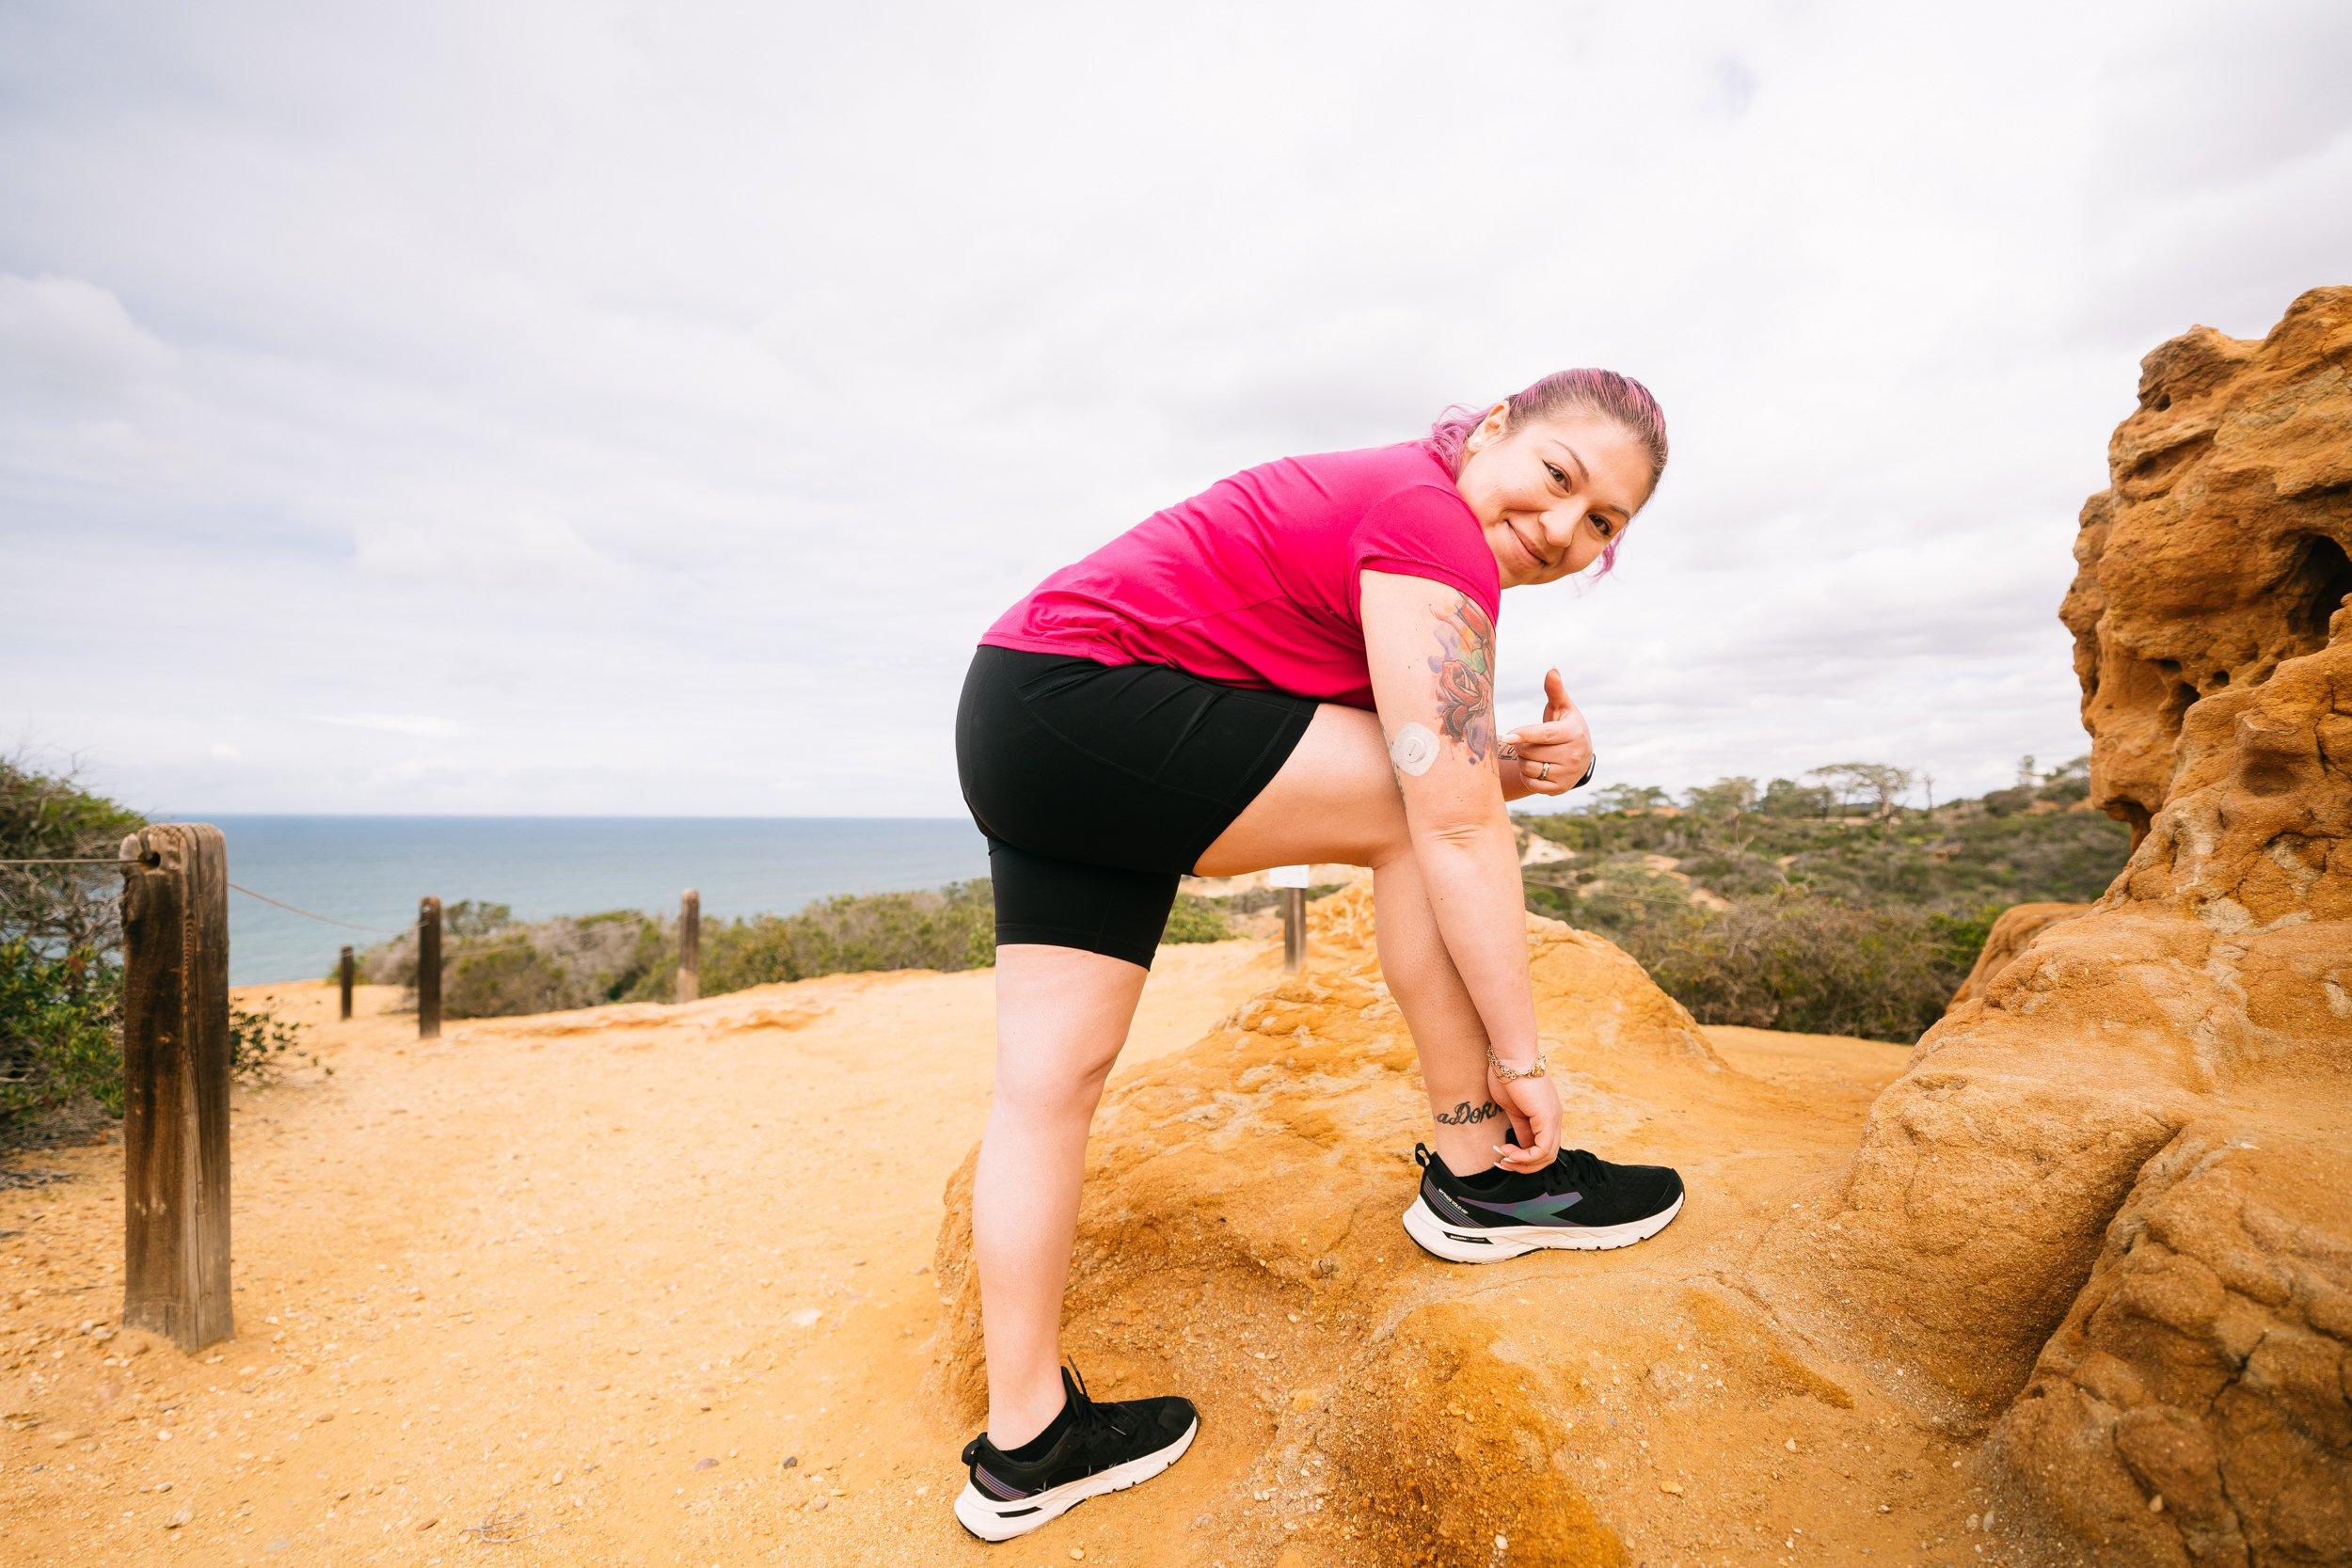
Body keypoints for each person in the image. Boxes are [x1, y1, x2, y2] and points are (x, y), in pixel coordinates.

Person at [947, 370, 1684, 1542]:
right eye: (1556, 476)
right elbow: (1446, 810)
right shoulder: (1429, 521)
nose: (1560, 527)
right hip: (1094, 705)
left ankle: (1027, 1442)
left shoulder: (1403, 510)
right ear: (1493, 428)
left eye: (1602, 521)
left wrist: (1555, 761)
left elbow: (1420, 747)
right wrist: (1523, 1057)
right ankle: (1485, 1169)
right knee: (1421, 814)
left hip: (1028, 716)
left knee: (1047, 1085)